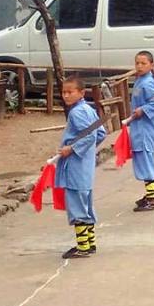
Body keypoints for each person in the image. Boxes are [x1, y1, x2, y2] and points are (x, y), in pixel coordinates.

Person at [55, 76, 106, 259]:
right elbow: (100, 133)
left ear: (81, 93)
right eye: (64, 92)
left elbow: (90, 136)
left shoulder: (76, 113)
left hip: (76, 166)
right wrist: (88, 150)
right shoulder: (88, 109)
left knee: (77, 206)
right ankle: (90, 243)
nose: (66, 95)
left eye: (70, 92)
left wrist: (72, 149)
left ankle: (83, 246)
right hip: (86, 166)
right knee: (86, 204)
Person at [129, 51, 154, 212]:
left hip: (146, 131)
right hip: (139, 129)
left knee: (147, 163)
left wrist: (143, 110)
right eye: (137, 63)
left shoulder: (148, 83)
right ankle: (150, 194)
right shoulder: (140, 81)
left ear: (152, 66)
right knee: (142, 162)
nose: (139, 66)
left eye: (143, 63)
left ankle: (153, 198)